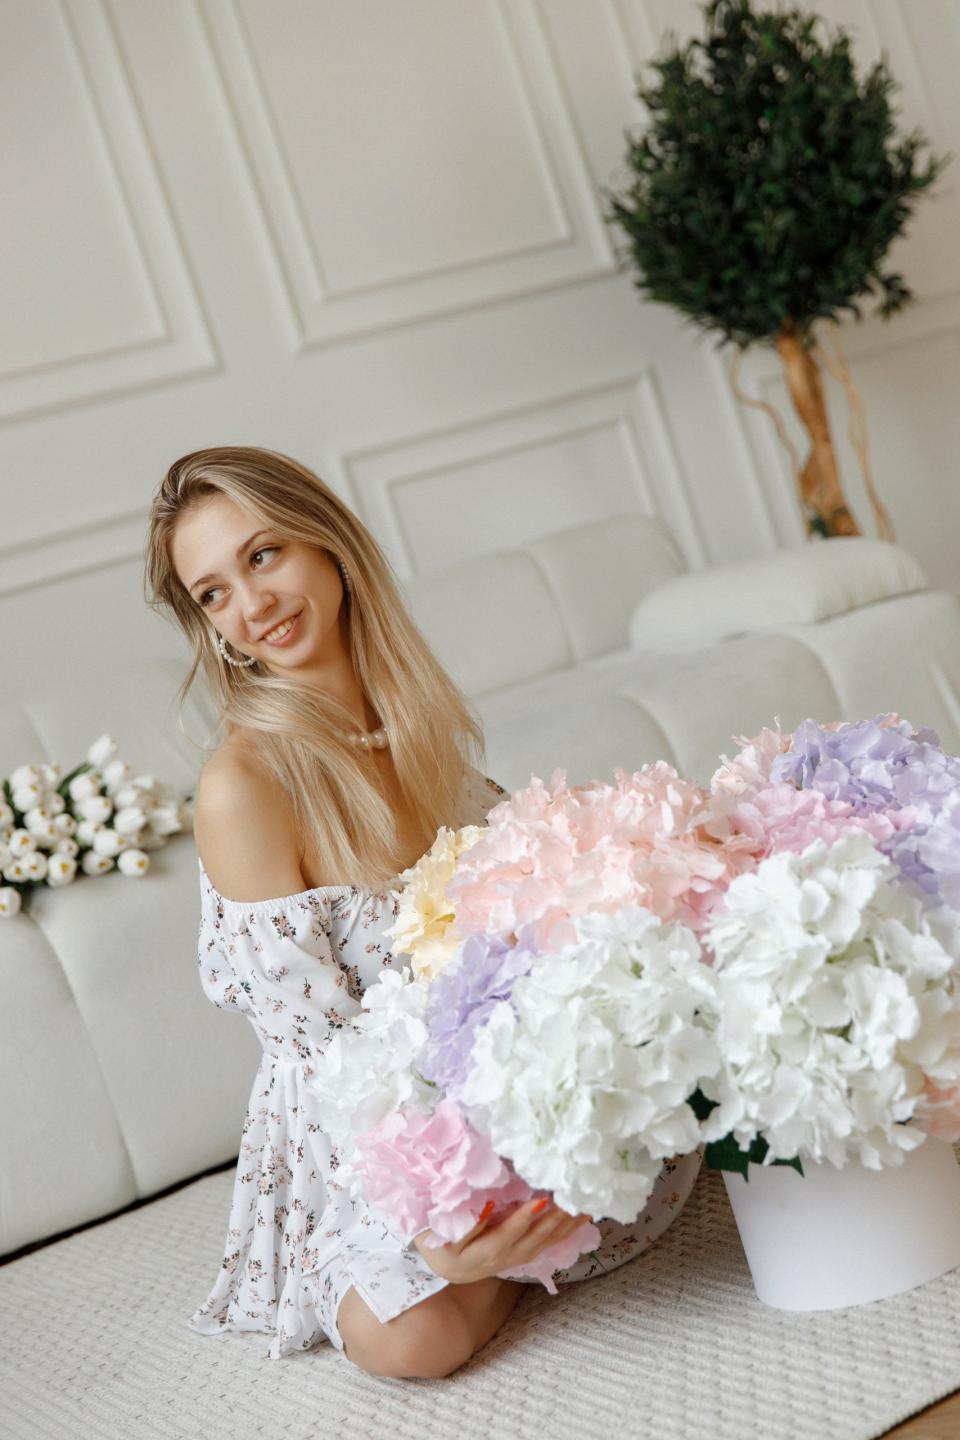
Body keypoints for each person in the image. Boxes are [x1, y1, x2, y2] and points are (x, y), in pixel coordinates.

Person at [145, 446, 700, 1378]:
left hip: (497, 1068)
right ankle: (515, 1240)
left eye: (263, 554)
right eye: (213, 593)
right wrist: (438, 1210)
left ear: (328, 544)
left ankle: (538, 1216)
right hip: (368, 1122)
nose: (252, 604)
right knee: (405, 1338)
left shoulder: (413, 718)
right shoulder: (242, 787)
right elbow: (324, 1057)